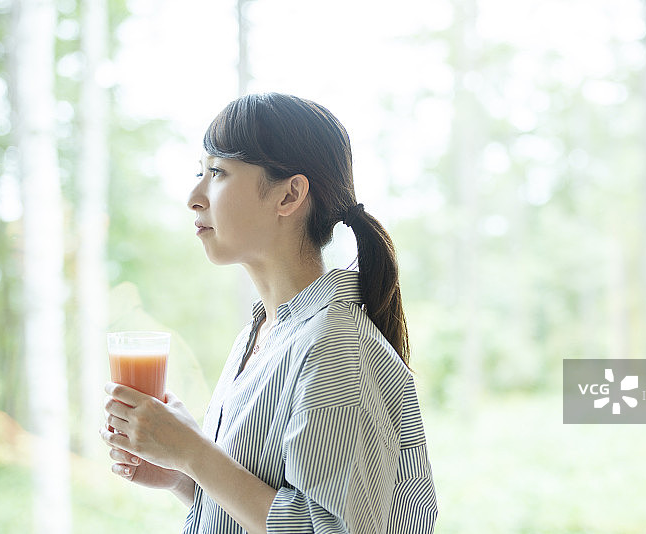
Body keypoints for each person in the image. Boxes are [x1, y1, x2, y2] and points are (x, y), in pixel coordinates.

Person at [101, 93, 438, 533]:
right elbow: (266, 513)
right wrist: (183, 476)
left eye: (217, 173)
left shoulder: (336, 345)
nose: (194, 197)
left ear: (289, 195)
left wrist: (192, 452)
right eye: (200, 173)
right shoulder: (261, 333)